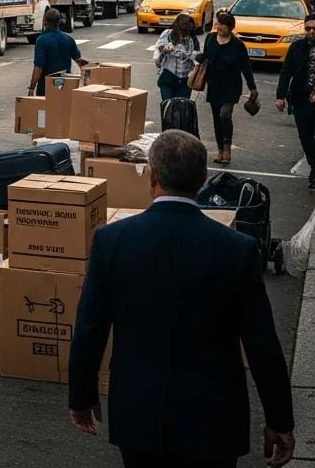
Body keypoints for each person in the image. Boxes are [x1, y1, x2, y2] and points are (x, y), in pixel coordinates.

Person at [68, 129, 294, 468]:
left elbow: (90, 327)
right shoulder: (237, 249)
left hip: (139, 411)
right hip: (213, 416)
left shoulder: (112, 241)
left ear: (153, 175)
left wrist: (81, 396)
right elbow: (261, 341)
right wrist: (279, 419)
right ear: (203, 179)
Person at [198, 9, 257, 166]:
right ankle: (219, 149)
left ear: (230, 27)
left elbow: (246, 68)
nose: (219, 27)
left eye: (223, 25)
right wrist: (200, 58)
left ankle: (227, 148)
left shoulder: (238, 45)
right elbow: (206, 57)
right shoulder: (210, 38)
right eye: (218, 23)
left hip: (231, 88)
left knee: (225, 115)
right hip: (214, 86)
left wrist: (252, 88)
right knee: (217, 119)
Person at [275, 10, 315, 189]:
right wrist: (280, 96)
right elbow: (286, 72)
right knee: (305, 137)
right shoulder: (297, 47)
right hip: (301, 98)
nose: (311, 32)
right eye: (308, 29)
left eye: (314, 29)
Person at [28, 7, 89, 96]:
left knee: (47, 109)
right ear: (59, 21)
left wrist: (32, 88)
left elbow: (38, 68)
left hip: (46, 88)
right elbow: (80, 62)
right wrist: (87, 81)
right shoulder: (69, 39)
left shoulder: (41, 41)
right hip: (65, 86)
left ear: (45, 22)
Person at [154, 12, 200, 102]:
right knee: (168, 106)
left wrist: (191, 57)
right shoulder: (168, 34)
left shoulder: (193, 39)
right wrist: (164, 49)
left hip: (185, 79)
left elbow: (197, 58)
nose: (184, 35)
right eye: (182, 31)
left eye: (187, 32)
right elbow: (157, 58)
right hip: (168, 76)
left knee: (182, 108)